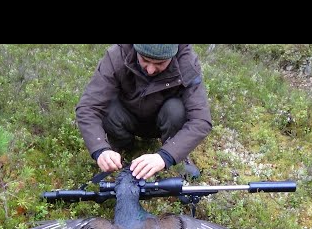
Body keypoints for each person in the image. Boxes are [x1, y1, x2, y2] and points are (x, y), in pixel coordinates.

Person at [75, 44, 212, 180]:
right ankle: (120, 148)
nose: (151, 70)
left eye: (160, 63)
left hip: (162, 120)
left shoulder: (186, 63)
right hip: (126, 116)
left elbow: (201, 121)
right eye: (145, 60)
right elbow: (88, 107)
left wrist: (166, 156)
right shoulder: (117, 55)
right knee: (108, 106)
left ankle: (176, 154)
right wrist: (100, 148)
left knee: (176, 109)